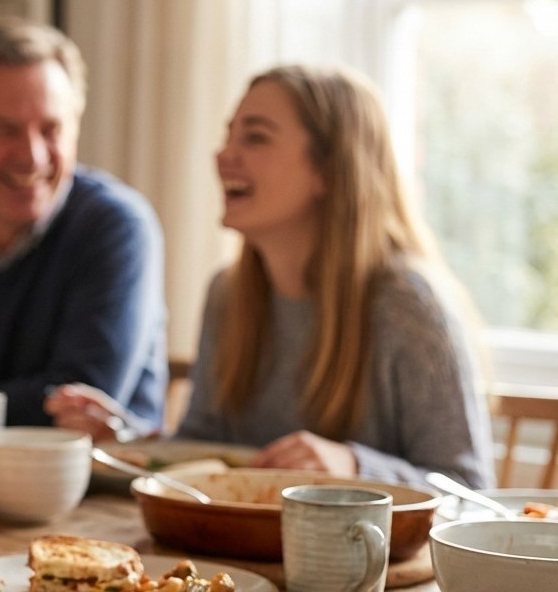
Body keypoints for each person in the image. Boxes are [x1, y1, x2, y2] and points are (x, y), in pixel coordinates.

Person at [170, 65, 492, 488]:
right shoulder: (227, 293)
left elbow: (470, 492)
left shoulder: (409, 305)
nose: (223, 154)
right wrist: (122, 441)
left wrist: (355, 468)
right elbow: (200, 448)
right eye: (228, 135)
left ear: (329, 170)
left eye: (255, 137)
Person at [0, 21, 168, 437]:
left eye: (51, 129)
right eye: (5, 131)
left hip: (96, 492)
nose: (33, 157)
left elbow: (81, 397)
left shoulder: (117, 227)